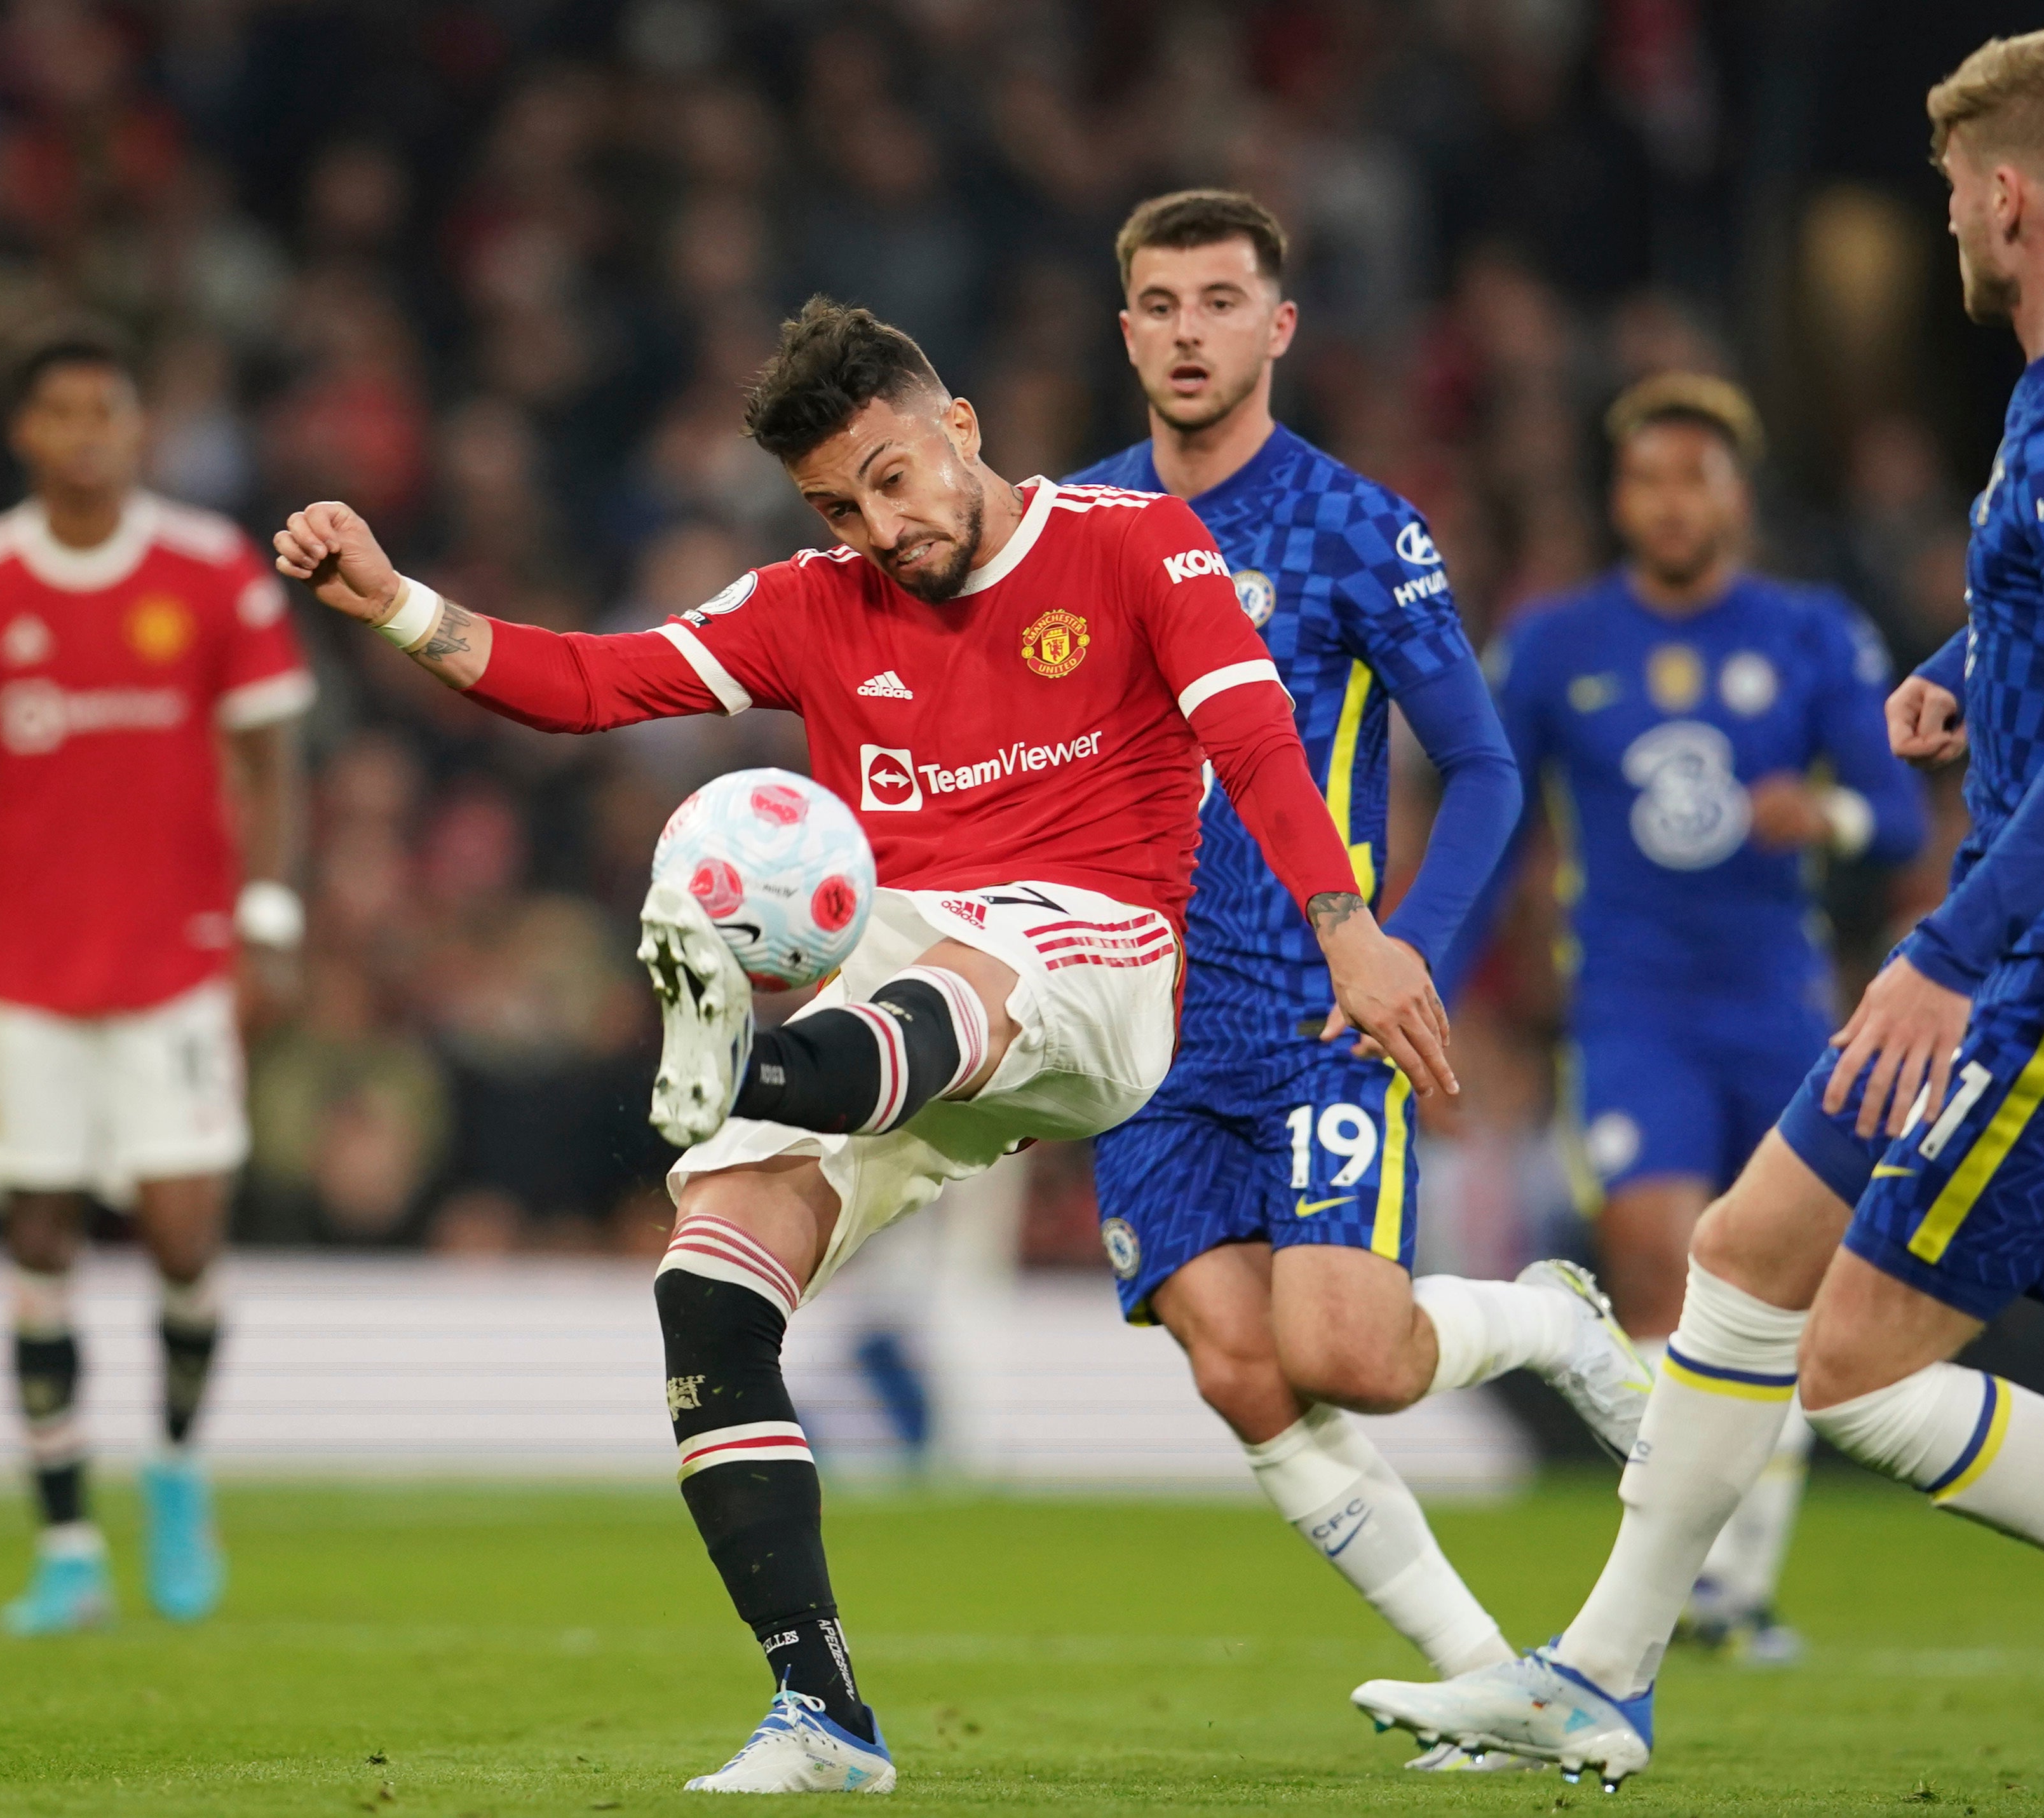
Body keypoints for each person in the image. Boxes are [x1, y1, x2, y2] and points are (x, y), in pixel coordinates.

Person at [280, 295, 1614, 1794]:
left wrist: (1346, 924)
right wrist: (396, 600)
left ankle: (741, 1065)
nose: (877, 528)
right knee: (711, 1287)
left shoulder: (1135, 543)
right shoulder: (813, 599)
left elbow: (1250, 736)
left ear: (960, 427)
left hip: (1098, 953)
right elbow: (590, 684)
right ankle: (822, 1713)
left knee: (965, 988)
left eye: (893, 480)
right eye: (836, 505)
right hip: (905, 973)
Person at [1348, 29, 2044, 1814]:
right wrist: (1969, 670)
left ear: (2008, 193)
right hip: (2038, 923)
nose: (1945, 212)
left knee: (1853, 1368)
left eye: (1955, 186)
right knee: (1736, 1248)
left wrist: (1943, 953)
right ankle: (1600, 1678)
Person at [1067, 187, 1651, 1767]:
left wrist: (1406, 948)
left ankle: (1548, 1324)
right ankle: (1493, 1683)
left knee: (1342, 1353)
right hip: (1137, 1031)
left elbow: (1481, 767)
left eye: (1219, 302)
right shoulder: (1070, 532)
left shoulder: (1354, 527)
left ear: (1279, 326)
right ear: (1125, 329)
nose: (1190, 333)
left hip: (1310, 1009)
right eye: (1161, 305)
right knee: (1237, 1366)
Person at [1458, 371, 1927, 1659]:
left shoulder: (1810, 631)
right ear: (1620, 497)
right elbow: (1493, 834)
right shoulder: (1555, 641)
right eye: (1646, 478)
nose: (1667, 502)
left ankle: (1736, 1583)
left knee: (1775, 1290)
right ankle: (1700, 1571)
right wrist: (1435, 987)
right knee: (1663, 1262)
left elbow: (1892, 815)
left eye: (1694, 477)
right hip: (1627, 1009)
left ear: (1736, 494)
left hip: (1779, 1004)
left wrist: (1821, 814)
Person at [0, 327, 312, 1634]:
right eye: (59, 412)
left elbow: (274, 754)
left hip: (175, 962)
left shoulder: (212, 570)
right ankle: (68, 1544)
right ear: (25, 433)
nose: (85, 433)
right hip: (19, 974)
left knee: (184, 1236)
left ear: (139, 428)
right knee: (39, 1242)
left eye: (107, 411)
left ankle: (175, 1468)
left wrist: (270, 918)